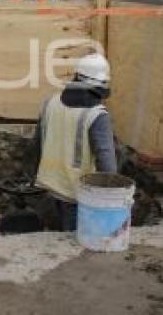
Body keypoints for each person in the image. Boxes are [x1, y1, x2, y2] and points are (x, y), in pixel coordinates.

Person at [32, 53, 117, 230]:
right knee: (71, 243)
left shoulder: (51, 103)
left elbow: (36, 144)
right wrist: (111, 196)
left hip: (48, 185)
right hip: (77, 192)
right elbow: (106, 162)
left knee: (52, 234)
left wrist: (32, 174)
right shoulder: (96, 115)